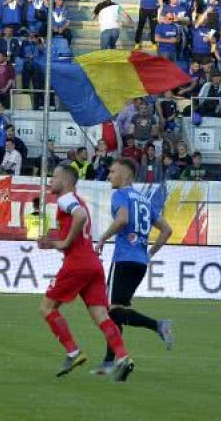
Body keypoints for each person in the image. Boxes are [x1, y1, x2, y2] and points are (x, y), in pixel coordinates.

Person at [37, 164, 134, 381]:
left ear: (66, 181)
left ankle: (73, 352)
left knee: (46, 307)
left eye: (54, 177)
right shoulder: (78, 200)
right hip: (92, 263)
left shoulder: (65, 199)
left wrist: (64, 243)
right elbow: (79, 224)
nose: (50, 182)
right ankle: (122, 356)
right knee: (101, 315)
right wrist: (55, 243)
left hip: (77, 263)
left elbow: (79, 217)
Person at [93, 158, 175, 375]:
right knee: (115, 312)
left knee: (115, 311)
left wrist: (102, 238)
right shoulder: (144, 200)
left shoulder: (120, 195)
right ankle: (110, 362)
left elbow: (122, 219)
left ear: (125, 174)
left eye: (112, 172)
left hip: (124, 258)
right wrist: (149, 253)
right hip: (140, 261)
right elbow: (167, 230)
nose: (109, 176)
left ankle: (158, 325)